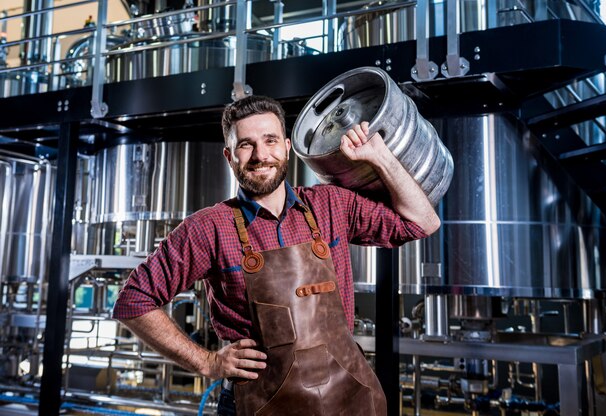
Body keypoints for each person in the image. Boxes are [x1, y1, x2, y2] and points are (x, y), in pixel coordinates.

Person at [112, 95, 440, 415]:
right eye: (246, 144)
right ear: (230, 156)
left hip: (348, 398)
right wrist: (207, 362)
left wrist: (380, 157)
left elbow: (423, 222)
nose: (260, 155)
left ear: (286, 147)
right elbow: (133, 301)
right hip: (261, 403)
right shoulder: (209, 228)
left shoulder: (331, 205)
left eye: (270, 140)